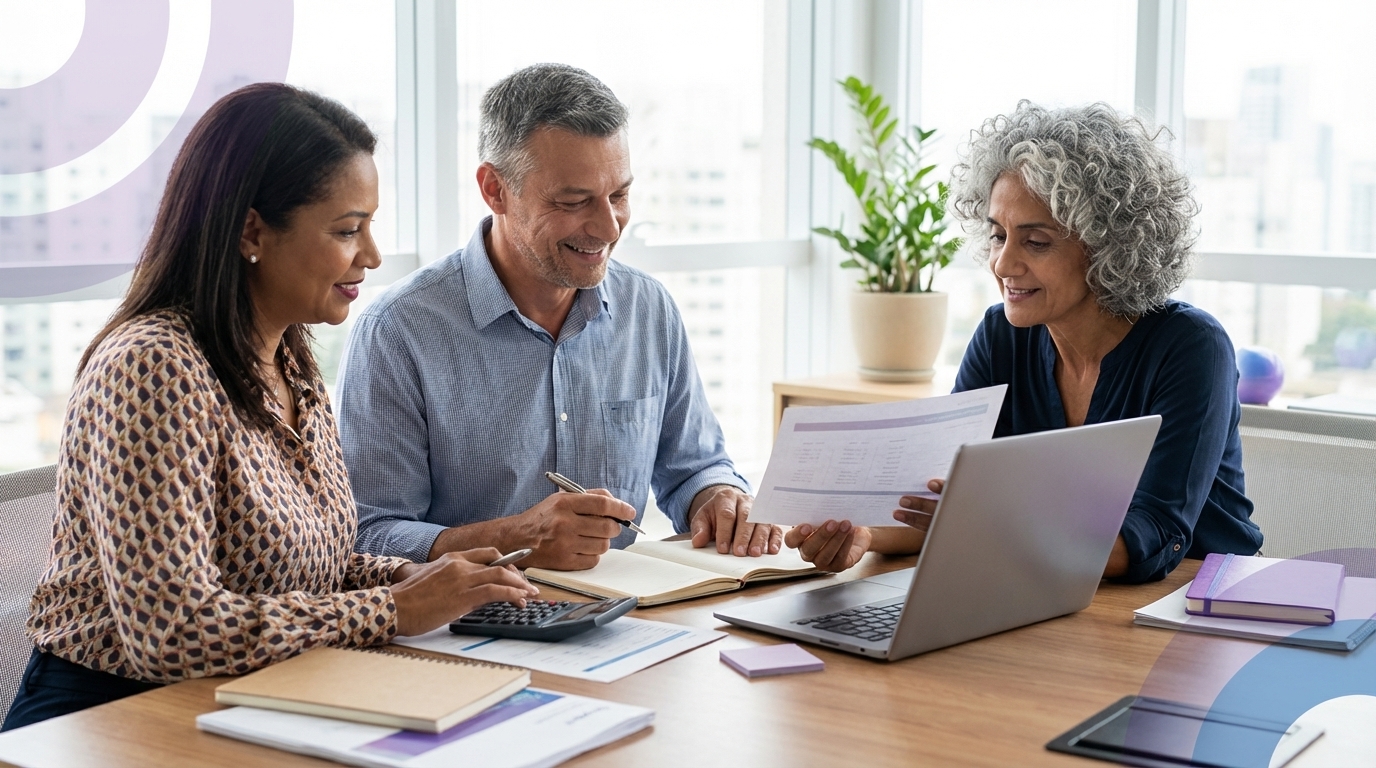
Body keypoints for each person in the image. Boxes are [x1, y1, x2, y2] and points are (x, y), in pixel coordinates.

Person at [2, 84, 537, 732]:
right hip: (114, 719)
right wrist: (394, 610)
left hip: (261, 695)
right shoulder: (151, 368)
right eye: (347, 229)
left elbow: (308, 567)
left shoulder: (290, 357)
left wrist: (424, 577)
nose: (369, 255)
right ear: (252, 229)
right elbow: (172, 632)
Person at [785, 101, 1264, 583]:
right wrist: (863, 537)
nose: (1002, 264)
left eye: (1036, 242)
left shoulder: (1191, 347)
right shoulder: (1000, 337)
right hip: (1043, 583)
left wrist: (989, 525)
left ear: (1109, 246)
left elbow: (1152, 538)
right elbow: (941, 503)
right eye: (997, 236)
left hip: (1203, 603)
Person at [337, 64, 779, 570]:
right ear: (494, 189)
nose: (608, 227)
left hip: (628, 618)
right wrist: (513, 538)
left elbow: (696, 468)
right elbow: (370, 534)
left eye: (619, 196)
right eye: (574, 201)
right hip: (466, 632)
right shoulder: (398, 331)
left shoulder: (648, 309)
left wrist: (721, 498)